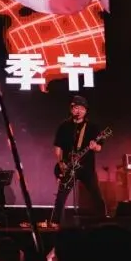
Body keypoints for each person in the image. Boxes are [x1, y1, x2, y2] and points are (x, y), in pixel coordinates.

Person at [50, 96, 107, 226]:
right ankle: (55, 223)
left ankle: (104, 222)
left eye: (82, 108)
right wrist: (61, 162)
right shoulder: (64, 126)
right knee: (61, 197)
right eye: (76, 108)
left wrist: (95, 146)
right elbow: (57, 147)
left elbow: (99, 147)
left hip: (87, 168)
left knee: (96, 195)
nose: (79, 111)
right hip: (69, 167)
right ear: (71, 109)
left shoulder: (92, 127)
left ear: (86, 111)